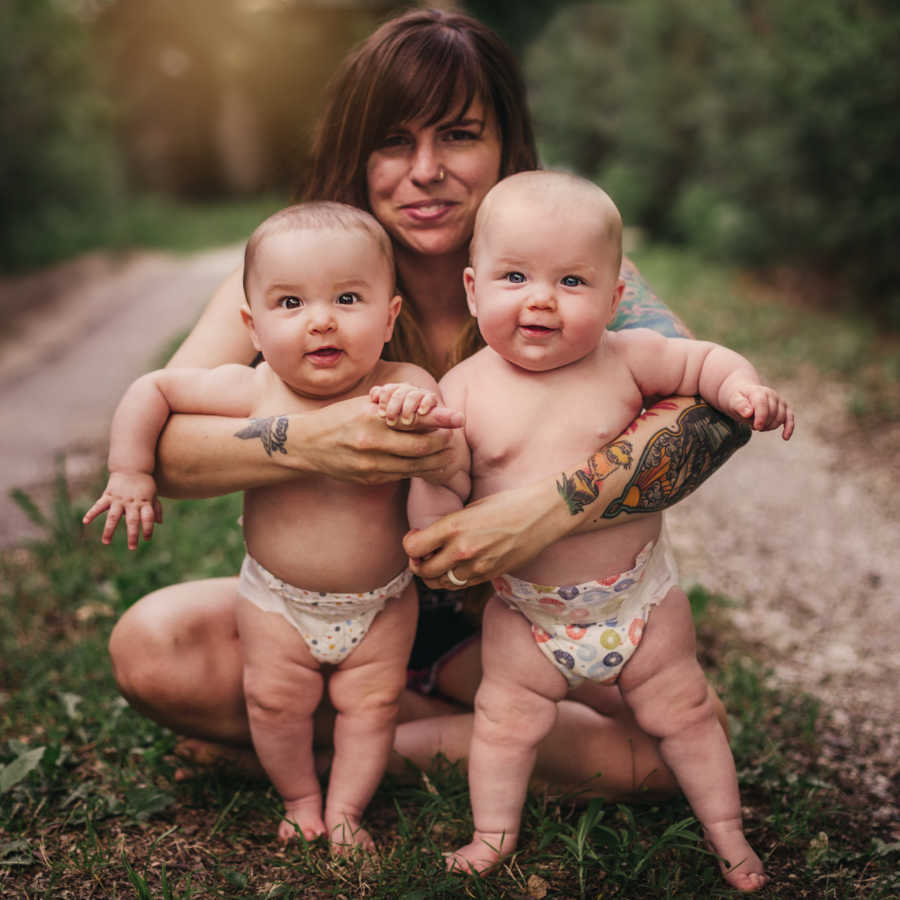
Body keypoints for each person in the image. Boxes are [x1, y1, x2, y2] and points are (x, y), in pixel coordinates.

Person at [106, 6, 751, 851]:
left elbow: (705, 415)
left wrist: (548, 508)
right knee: (153, 645)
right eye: (393, 141)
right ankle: (374, 727)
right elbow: (161, 443)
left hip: (511, 618)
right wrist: (307, 440)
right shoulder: (303, 273)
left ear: (505, 144)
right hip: (341, 599)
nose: (425, 172)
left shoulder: (567, 273)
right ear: (355, 149)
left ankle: (376, 745)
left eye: (458, 136)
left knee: (665, 754)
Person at [375, 171, 792, 890]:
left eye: (571, 281)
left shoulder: (626, 359)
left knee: (687, 713)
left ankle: (730, 838)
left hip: (639, 603)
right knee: (505, 725)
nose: (540, 298)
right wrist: (433, 489)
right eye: (515, 277)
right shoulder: (463, 392)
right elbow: (441, 509)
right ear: (475, 292)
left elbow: (703, 360)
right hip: (526, 614)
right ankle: (492, 835)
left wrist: (742, 387)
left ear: (613, 299)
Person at [85, 203, 466, 851]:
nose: (320, 319)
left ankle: (345, 809)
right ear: (253, 326)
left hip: (382, 605)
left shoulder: (401, 384)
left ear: (389, 317)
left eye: (348, 298)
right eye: (290, 304)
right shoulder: (254, 392)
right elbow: (153, 390)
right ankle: (298, 798)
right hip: (277, 601)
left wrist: (418, 416)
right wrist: (130, 472)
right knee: (275, 705)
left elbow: (443, 476)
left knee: (370, 711)